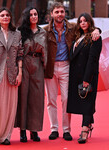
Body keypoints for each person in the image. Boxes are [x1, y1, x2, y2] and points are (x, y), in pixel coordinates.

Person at [43, 2, 100, 141]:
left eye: (62, 11)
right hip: (50, 67)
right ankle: (54, 129)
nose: (60, 14)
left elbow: (87, 27)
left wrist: (97, 30)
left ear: (65, 13)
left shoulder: (72, 27)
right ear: (52, 14)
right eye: (57, 12)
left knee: (66, 99)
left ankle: (66, 130)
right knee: (51, 100)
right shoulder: (45, 30)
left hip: (66, 67)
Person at [0, 7, 23, 145]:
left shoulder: (17, 34)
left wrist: (20, 72)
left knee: (10, 106)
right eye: (2, 15)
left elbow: (20, 54)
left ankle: (6, 136)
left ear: (10, 18)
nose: (5, 17)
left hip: (12, 74)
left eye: (7, 15)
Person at [67, 13, 102, 144]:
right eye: (80, 21)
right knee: (84, 101)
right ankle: (89, 123)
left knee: (87, 102)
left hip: (89, 75)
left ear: (90, 22)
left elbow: (93, 59)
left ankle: (84, 130)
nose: (82, 23)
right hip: (76, 75)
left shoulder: (95, 37)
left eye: (85, 21)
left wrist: (87, 78)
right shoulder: (77, 36)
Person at [15, 7, 47, 142]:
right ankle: (22, 130)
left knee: (37, 98)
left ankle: (34, 130)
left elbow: (46, 51)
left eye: (35, 14)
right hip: (24, 63)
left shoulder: (43, 32)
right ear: (26, 17)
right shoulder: (20, 32)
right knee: (23, 97)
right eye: (31, 14)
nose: (34, 16)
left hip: (38, 64)